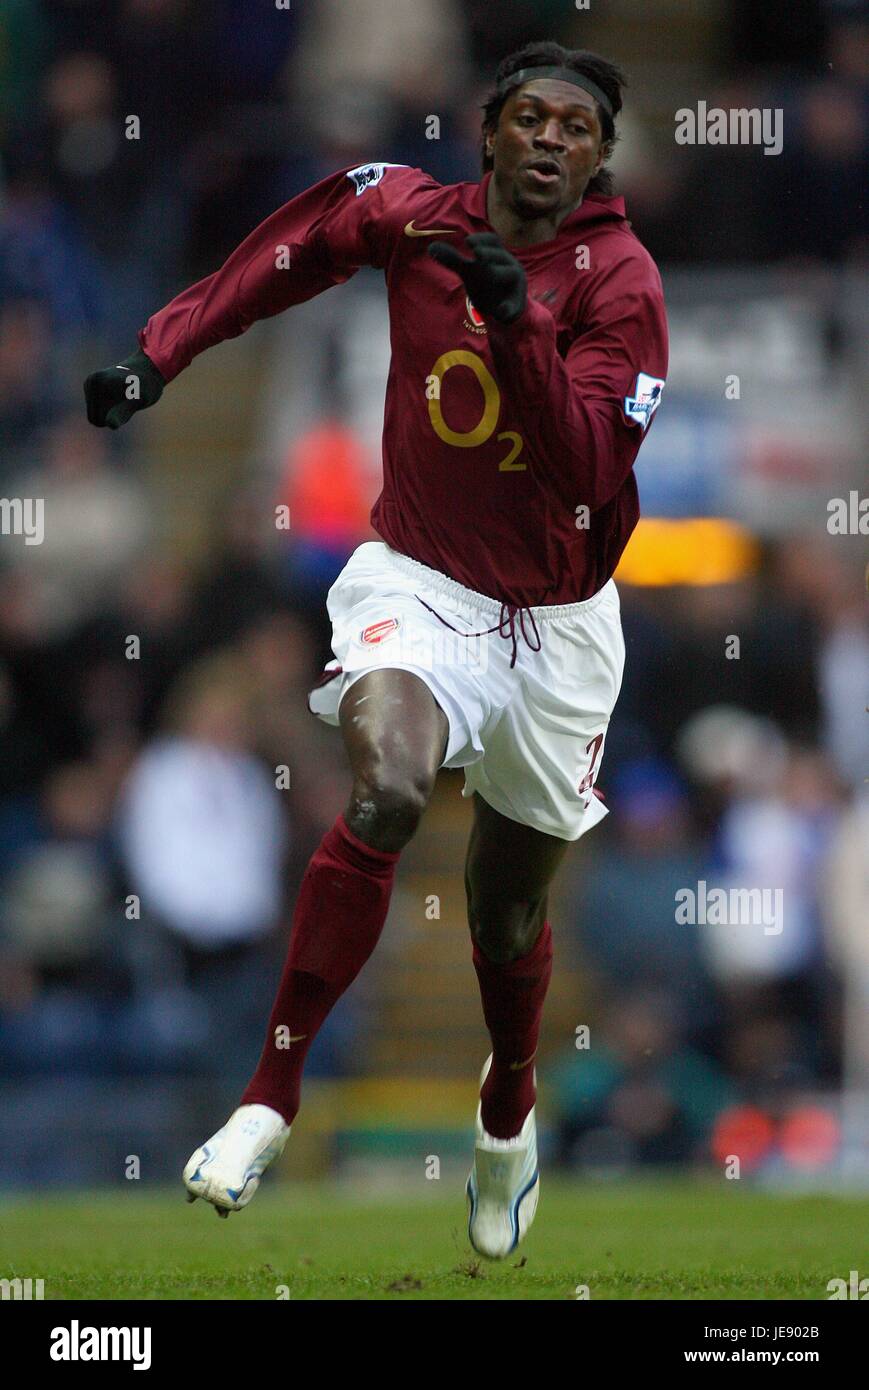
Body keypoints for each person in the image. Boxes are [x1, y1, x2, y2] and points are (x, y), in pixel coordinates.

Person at [84, 40, 668, 1259]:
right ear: (489, 129)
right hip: (421, 580)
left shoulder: (622, 284)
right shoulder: (406, 213)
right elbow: (278, 259)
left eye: (576, 126)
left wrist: (515, 328)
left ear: (599, 157)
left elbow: (585, 472)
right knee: (390, 786)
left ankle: (507, 1105)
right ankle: (266, 1100)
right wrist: (157, 353)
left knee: (506, 918)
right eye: (531, 118)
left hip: (561, 623)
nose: (551, 139)